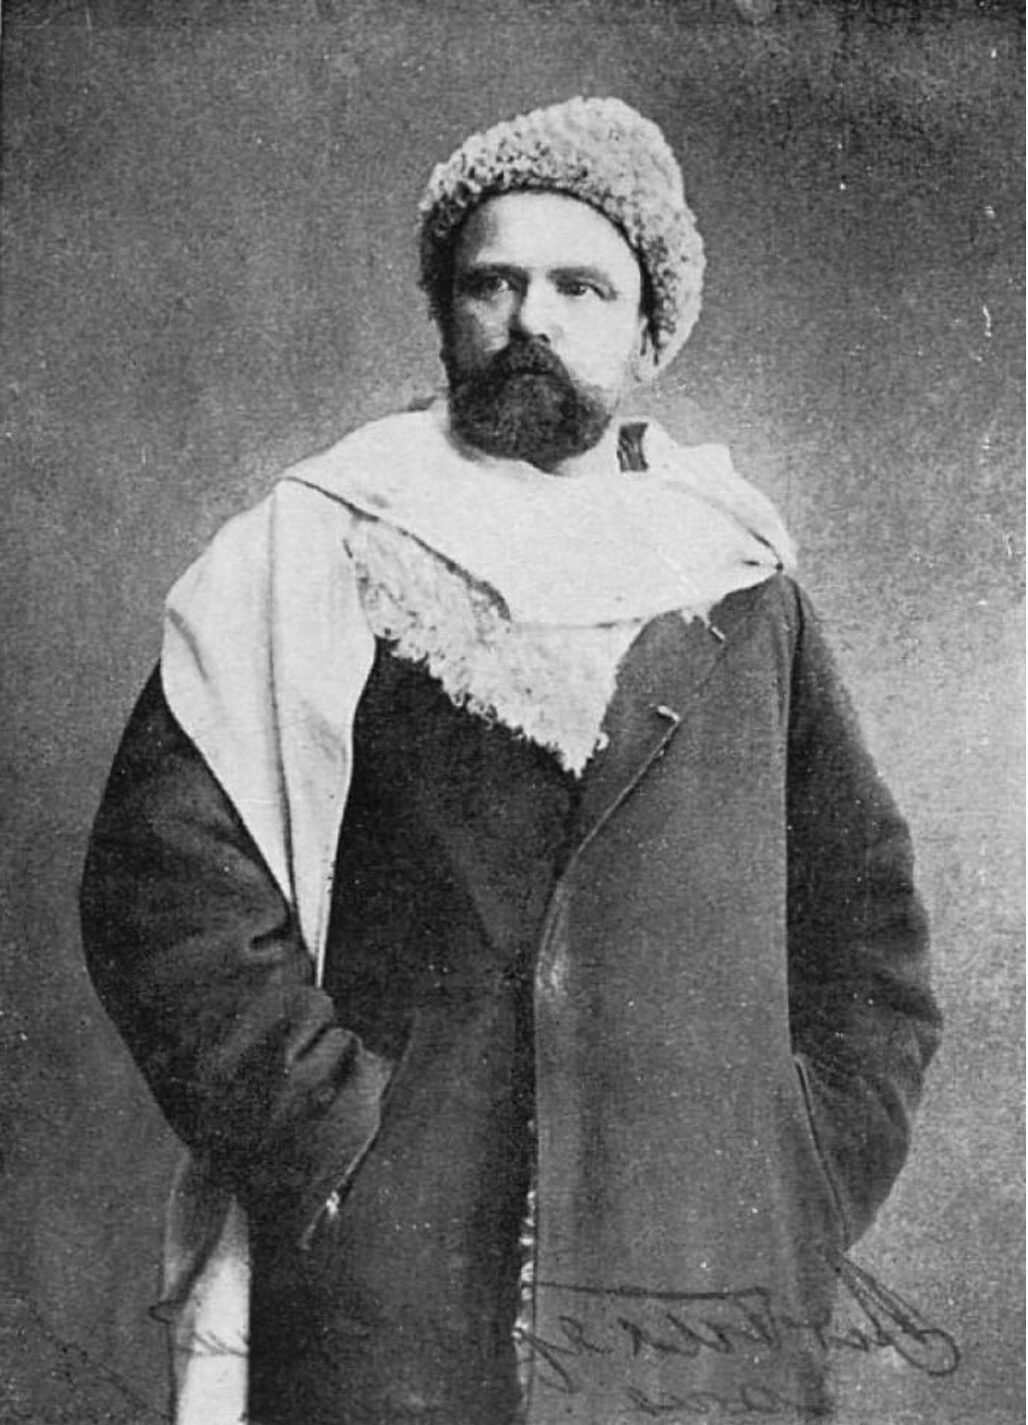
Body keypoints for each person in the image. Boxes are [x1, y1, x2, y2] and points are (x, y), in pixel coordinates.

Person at [80, 97, 941, 1425]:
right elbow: (166, 890)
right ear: (446, 313)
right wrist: (328, 1137)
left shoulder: (743, 588)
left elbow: (869, 939)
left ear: (647, 334)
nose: (531, 316)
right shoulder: (319, 548)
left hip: (696, 1277)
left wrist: (799, 1176)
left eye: (579, 287)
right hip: (401, 1261)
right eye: (493, 283)